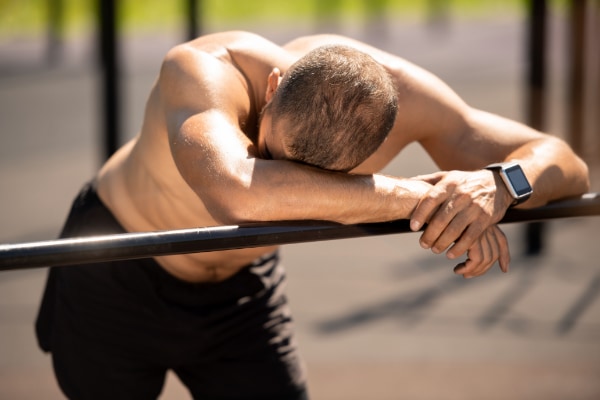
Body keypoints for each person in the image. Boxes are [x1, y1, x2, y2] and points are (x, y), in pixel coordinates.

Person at [35, 31, 589, 399]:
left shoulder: (409, 100)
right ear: (272, 90)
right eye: (271, 155)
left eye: (325, 180)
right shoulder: (208, 70)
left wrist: (500, 184)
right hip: (115, 264)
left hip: (239, 289)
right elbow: (239, 196)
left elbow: (565, 162)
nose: (289, 185)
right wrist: (423, 198)